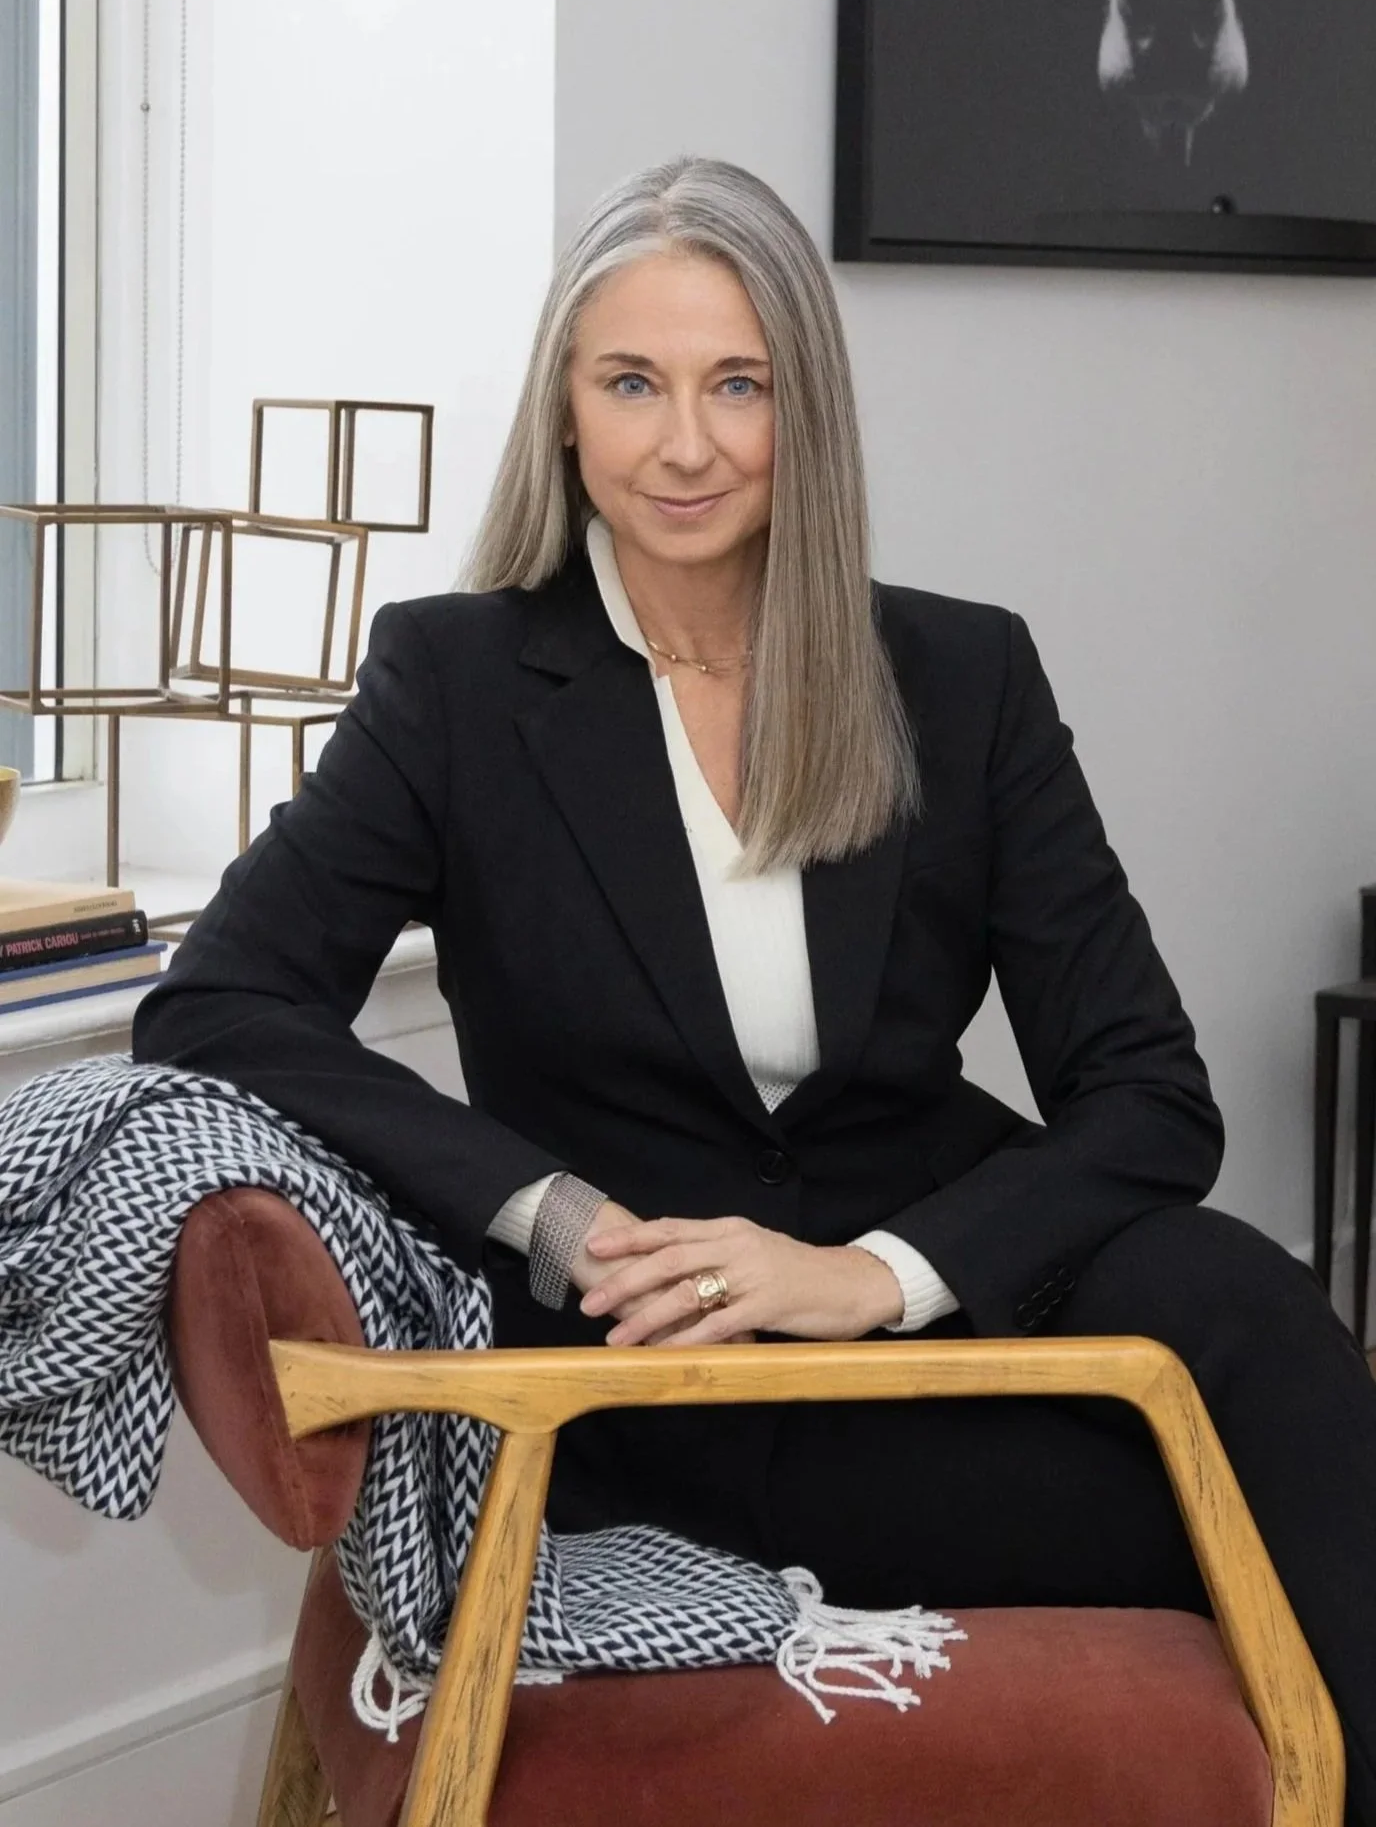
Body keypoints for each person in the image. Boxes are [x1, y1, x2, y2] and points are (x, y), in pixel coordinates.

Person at [131, 154, 1376, 1819]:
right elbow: (218, 1003)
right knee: (1262, 1506)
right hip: (655, 1367)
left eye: (739, 384)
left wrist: (877, 1272)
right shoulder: (458, 681)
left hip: (929, 1300)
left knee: (1259, 1321)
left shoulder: (961, 673)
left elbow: (1152, 1094)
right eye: (631, 383)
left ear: (808, 413)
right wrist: (551, 1212)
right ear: (564, 410)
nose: (686, 445)